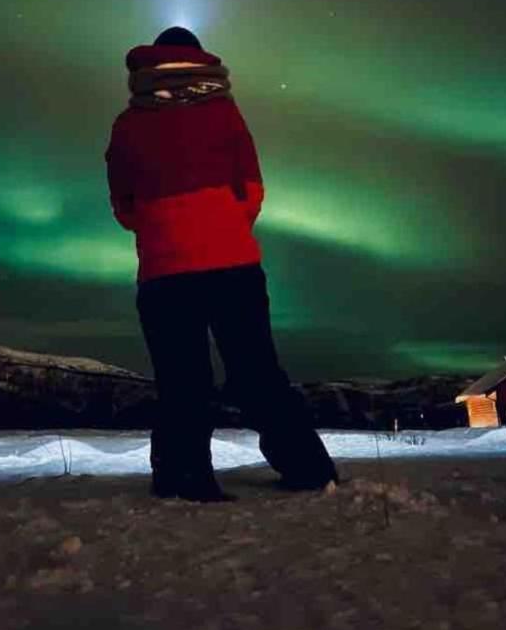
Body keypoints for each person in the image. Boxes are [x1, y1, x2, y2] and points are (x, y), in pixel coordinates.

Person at [106, 26, 339, 502]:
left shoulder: (127, 126)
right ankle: (309, 471)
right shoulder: (224, 113)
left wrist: (162, 228)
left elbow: (124, 206)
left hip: (164, 272)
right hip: (233, 264)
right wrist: (225, 224)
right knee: (257, 371)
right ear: (201, 60)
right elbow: (251, 189)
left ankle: (183, 478)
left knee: (181, 380)